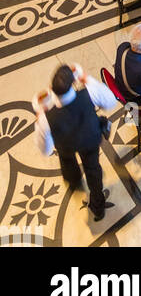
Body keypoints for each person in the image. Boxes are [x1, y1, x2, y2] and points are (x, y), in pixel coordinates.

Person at [32, 63, 116, 222]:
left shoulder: (45, 118)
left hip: (66, 145)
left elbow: (46, 150)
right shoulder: (89, 93)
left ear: (51, 87)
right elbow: (111, 102)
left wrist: (39, 116)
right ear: (74, 82)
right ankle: (98, 208)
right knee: (93, 170)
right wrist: (87, 79)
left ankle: (73, 181)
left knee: (67, 160)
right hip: (90, 140)